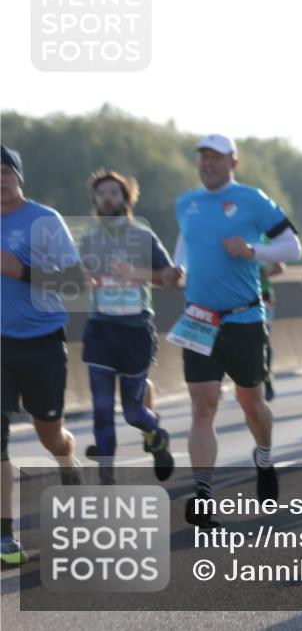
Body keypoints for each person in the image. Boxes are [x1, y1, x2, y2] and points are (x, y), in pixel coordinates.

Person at [172, 134, 302, 528]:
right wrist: (177, 270)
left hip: (244, 318)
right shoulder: (186, 203)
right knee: (202, 404)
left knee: (252, 405)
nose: (208, 163)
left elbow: (293, 247)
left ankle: (264, 457)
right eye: (203, 157)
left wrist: (252, 250)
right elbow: (185, 247)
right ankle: (203, 494)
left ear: (233, 162)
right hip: (199, 318)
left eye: (216, 157)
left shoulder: (252, 199)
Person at [1, 146, 85, 565]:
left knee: (50, 434)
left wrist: (22, 271)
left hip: (42, 340)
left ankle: (68, 463)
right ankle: (5, 537)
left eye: (5, 172)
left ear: (18, 176)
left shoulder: (44, 220)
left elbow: (75, 281)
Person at [78, 169, 180, 485]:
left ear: (126, 199)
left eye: (114, 193)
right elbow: (75, 278)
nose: (107, 198)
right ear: (95, 200)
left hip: (135, 330)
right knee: (102, 408)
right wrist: (83, 279)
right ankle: (106, 478)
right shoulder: (89, 238)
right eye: (101, 194)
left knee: (133, 411)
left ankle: (155, 435)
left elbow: (168, 277)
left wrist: (135, 272)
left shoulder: (143, 236)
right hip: (100, 330)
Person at [259, 254, 285, 401]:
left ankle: (267, 379)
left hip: (263, 296)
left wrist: (263, 275)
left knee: (264, 337)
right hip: (240, 296)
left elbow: (279, 268)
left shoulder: (263, 243)